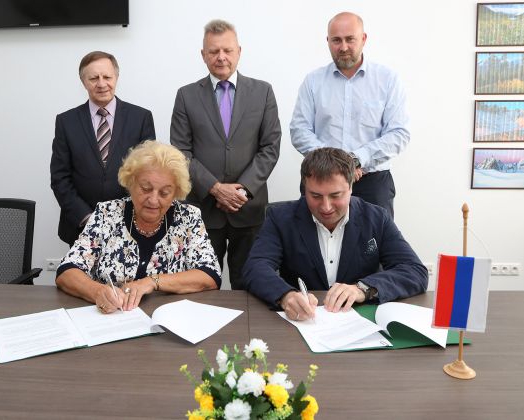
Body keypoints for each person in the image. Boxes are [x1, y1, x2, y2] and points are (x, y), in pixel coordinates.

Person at [243, 147, 427, 321]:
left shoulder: (377, 218)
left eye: (335, 195)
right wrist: (286, 295)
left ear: (351, 187)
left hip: (360, 323)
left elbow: (414, 271)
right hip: (302, 322)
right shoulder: (280, 218)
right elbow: (255, 267)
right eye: (315, 196)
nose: (326, 207)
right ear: (304, 189)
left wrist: (362, 289)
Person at [170, 19, 281, 290]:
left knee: (251, 286)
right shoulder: (186, 95)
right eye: (214, 51)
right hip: (202, 210)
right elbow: (180, 152)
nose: (221, 57)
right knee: (201, 286)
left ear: (239, 51)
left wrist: (242, 190)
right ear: (203, 55)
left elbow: (270, 146)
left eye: (227, 50)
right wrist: (216, 189)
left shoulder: (263, 92)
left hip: (249, 209)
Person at [55, 141, 221, 313]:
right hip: (111, 317)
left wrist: (152, 281)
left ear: (175, 193)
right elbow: (67, 271)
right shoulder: (106, 213)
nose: (153, 200)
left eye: (164, 193)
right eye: (146, 189)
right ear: (131, 183)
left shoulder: (188, 217)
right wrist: (97, 292)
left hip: (167, 320)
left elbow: (210, 274)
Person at [290, 12, 410, 218]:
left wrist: (357, 159)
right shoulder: (313, 81)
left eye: (350, 39)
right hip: (320, 181)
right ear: (328, 41)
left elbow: (399, 133)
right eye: (336, 40)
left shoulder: (388, 80)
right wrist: (335, 164)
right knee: (313, 238)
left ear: (363, 39)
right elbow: (299, 130)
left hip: (372, 183)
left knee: (375, 239)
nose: (343, 47)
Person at [51, 51, 156, 246]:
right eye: (93, 78)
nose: (101, 84)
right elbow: (60, 178)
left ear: (116, 77)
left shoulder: (141, 118)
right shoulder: (66, 122)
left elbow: (147, 174)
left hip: (130, 224)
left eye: (107, 77)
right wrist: (86, 218)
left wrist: (124, 216)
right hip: (80, 228)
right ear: (83, 82)